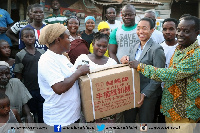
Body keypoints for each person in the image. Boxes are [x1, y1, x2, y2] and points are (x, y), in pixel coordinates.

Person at [128, 16, 199, 133]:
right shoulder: (180, 48)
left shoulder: (196, 55)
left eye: (186, 31)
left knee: (145, 126)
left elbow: (171, 74)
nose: (180, 34)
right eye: (179, 30)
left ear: (197, 33)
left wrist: (140, 66)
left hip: (185, 112)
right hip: (171, 108)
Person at [38, 23, 90, 127]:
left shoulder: (61, 56)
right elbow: (59, 87)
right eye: (67, 37)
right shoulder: (47, 60)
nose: (71, 40)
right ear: (58, 40)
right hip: (59, 120)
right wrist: (78, 72)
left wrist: (77, 69)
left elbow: (68, 76)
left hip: (71, 116)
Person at [120, 17, 165, 123]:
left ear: (152, 30)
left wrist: (144, 93)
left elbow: (158, 76)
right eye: (138, 28)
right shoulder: (135, 45)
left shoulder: (156, 49)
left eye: (144, 28)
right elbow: (131, 64)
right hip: (132, 92)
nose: (140, 32)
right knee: (129, 121)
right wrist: (125, 59)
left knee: (144, 123)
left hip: (148, 94)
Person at [14, 27, 45, 123]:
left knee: (43, 111)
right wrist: (21, 92)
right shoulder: (20, 55)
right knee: (32, 112)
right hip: (29, 90)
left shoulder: (42, 52)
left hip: (43, 88)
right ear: (22, 39)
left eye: (32, 36)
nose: (30, 38)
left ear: (35, 37)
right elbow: (18, 74)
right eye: (26, 36)